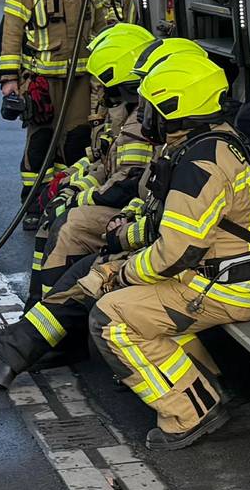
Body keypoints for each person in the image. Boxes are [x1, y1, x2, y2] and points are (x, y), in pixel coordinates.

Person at [0, 47, 250, 451]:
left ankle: (190, 410)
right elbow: (166, 224)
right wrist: (119, 248)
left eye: (151, 108)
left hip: (224, 286)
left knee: (112, 316)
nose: (144, 117)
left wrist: (119, 274)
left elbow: (175, 254)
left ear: (176, 108)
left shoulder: (201, 164)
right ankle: (15, 352)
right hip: (212, 274)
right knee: (92, 273)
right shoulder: (197, 145)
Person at [0, 0, 131, 197]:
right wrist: (9, 79)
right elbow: (11, 29)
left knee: (76, 140)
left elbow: (99, 18)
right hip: (41, 78)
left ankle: (62, 196)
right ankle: (32, 199)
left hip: (81, 78)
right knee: (40, 140)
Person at [27, 23, 163, 299]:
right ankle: (38, 304)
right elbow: (101, 160)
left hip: (128, 208)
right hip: (121, 204)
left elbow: (127, 181)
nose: (98, 90)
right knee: (54, 217)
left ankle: (53, 309)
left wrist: (76, 199)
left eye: (102, 83)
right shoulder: (121, 112)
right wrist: (69, 184)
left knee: (70, 226)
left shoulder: (140, 123)